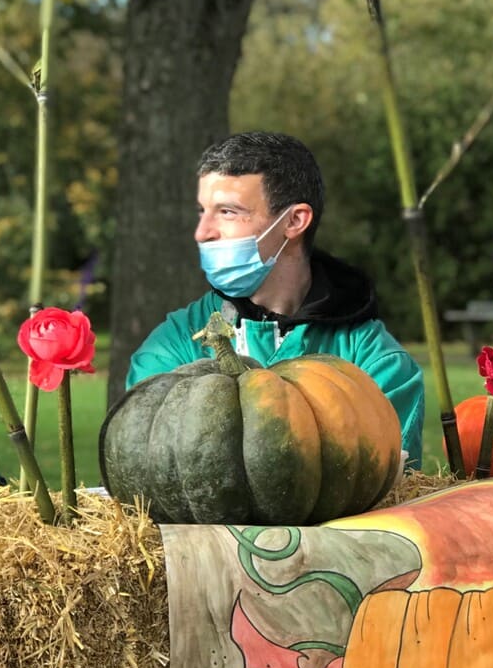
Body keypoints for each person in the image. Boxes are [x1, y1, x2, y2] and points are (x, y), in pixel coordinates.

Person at [128, 131, 426, 465]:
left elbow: (380, 481)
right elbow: (150, 464)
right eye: (203, 211)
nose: (203, 232)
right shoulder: (173, 346)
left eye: (228, 212)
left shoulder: (377, 366)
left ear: (294, 221)